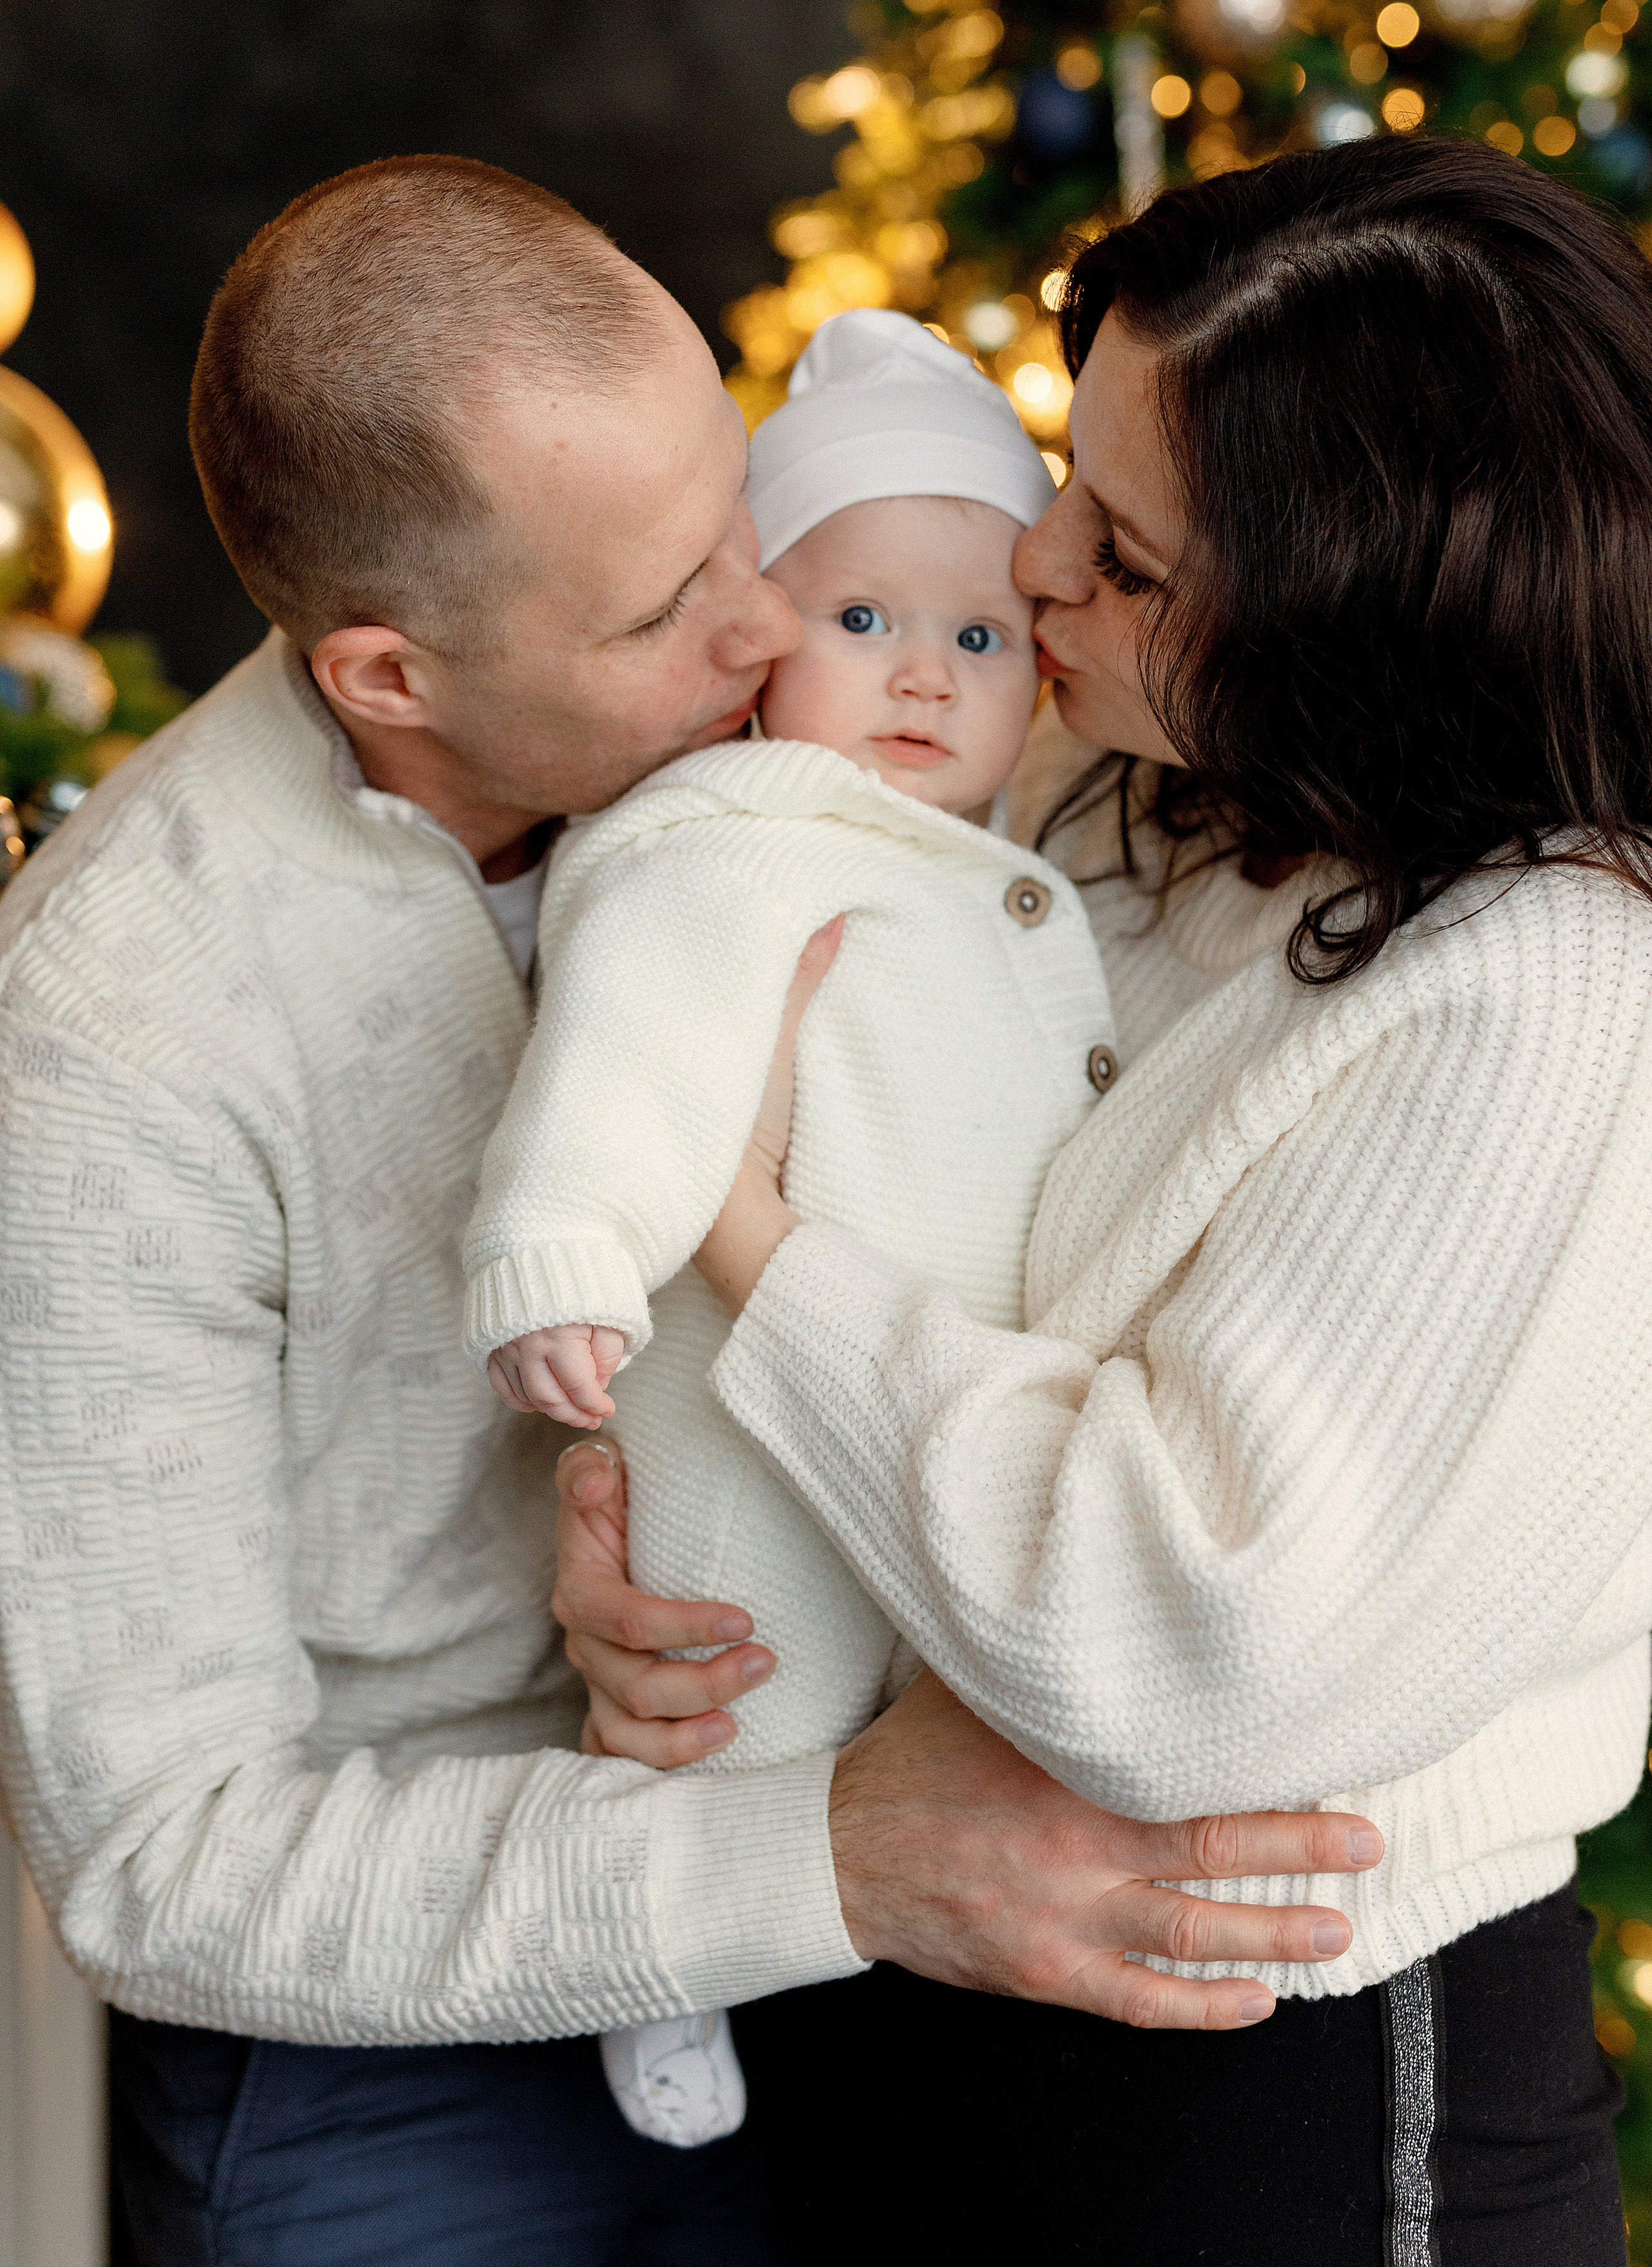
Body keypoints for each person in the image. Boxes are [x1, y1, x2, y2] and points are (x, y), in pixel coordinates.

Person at [0, 157, 1377, 2267]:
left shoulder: (831, 739)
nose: (769, 621)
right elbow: (162, 1862)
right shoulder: (113, 1029)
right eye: (660, 608)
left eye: (741, 514)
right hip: (396, 2079)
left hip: (851, 1946)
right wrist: (826, 1849)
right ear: (391, 677)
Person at [562, 136, 1652, 2263]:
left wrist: (752, 1247)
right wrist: (692, 1613)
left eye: (1126, 554)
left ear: (1359, 626)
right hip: (946, 2010)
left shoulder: (1558, 1000)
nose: (1034, 565)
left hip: (1291, 2096)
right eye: (1068, 475)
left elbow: (1185, 1649)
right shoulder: (1138, 794)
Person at [467, 306, 1113, 2147]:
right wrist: (564, 1244)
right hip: (749, 1401)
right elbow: (632, 1049)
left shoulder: (998, 861)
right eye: (865, 622)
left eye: (979, 637)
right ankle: (653, 1967)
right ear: (760, 646)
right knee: (739, 1677)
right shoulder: (737, 831)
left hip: (912, 1393)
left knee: (903, 1698)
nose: (924, 679)